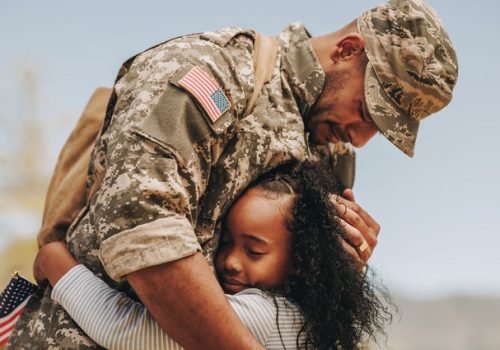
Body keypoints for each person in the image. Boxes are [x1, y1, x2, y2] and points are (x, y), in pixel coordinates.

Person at [9, 0, 457, 349]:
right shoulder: (216, 72)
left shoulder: (331, 153)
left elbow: (296, 303)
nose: (360, 138)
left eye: (378, 130)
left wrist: (344, 266)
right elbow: (141, 224)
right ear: (348, 50)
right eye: (365, 112)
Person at [34, 161, 391, 350]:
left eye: (254, 250)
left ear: (303, 261)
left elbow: (124, 330)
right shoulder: (312, 322)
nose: (231, 262)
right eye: (226, 243)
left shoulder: (264, 314)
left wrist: (55, 260)